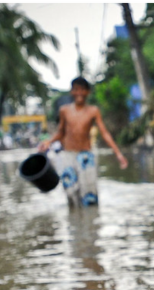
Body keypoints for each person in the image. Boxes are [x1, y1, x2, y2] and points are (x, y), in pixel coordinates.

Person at [38, 77, 128, 207]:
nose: (79, 92)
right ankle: (75, 222)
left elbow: (104, 133)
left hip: (86, 155)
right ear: (71, 92)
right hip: (68, 155)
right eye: (76, 89)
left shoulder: (93, 111)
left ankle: (91, 224)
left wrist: (118, 154)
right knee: (70, 191)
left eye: (82, 89)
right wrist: (48, 142)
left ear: (87, 92)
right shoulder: (64, 110)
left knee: (89, 193)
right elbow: (60, 133)